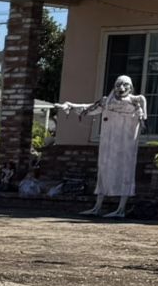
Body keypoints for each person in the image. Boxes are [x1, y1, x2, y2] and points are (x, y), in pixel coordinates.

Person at [56, 75, 148, 218]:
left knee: (125, 172)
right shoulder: (107, 102)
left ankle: (120, 209)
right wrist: (70, 105)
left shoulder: (135, 102)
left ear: (130, 87)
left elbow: (143, 119)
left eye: (125, 85)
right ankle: (97, 206)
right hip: (108, 143)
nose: (121, 88)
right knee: (104, 171)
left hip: (126, 144)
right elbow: (89, 108)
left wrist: (141, 117)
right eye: (118, 85)